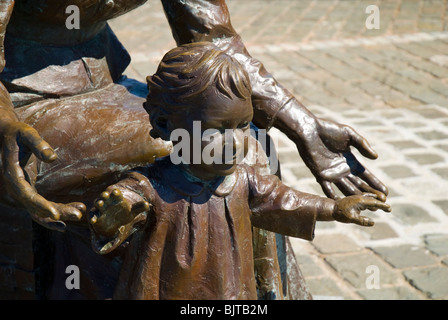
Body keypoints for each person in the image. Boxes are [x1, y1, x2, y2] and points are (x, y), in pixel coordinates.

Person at [0, 0, 388, 299]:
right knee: (173, 152)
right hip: (22, 102)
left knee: (251, 147)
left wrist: (303, 125)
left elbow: (214, 40)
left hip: (104, 77)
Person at [87, 42, 391, 300]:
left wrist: (334, 208)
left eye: (243, 125)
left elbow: (283, 200)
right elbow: (121, 206)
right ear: (167, 126)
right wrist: (112, 217)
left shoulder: (242, 181)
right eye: (217, 130)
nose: (235, 142)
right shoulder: (151, 186)